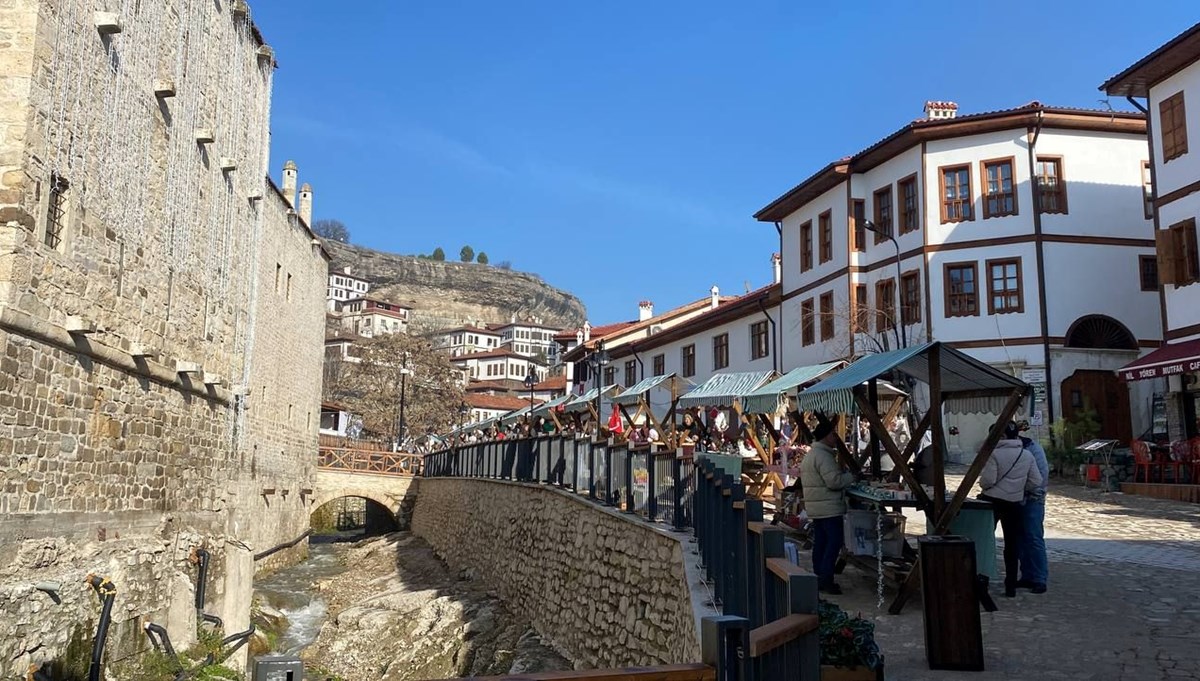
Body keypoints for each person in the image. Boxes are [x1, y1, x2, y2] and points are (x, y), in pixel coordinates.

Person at [979, 423, 1043, 597]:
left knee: (985, 541)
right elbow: (1036, 481)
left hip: (993, 502)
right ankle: (1011, 585)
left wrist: (986, 485)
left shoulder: (994, 454)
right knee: (1012, 545)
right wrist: (1019, 489)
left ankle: (982, 578)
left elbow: (987, 481)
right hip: (1014, 502)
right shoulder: (1026, 454)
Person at [800, 415, 856, 594]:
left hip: (817, 506)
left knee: (822, 542)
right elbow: (834, 481)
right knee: (833, 542)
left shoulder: (812, 454)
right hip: (829, 507)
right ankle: (826, 579)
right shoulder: (823, 456)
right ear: (825, 436)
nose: (835, 438)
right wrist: (851, 478)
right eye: (833, 435)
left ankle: (820, 576)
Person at [1017, 422, 1049, 594]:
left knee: (1034, 537)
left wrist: (1028, 491)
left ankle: (1039, 578)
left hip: (1033, 499)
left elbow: (1042, 476)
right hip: (1018, 499)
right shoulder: (1019, 448)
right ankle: (1027, 575)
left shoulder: (1033, 449)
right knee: (1022, 538)